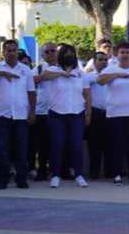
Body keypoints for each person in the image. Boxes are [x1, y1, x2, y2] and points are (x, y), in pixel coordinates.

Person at [0, 39, 37, 189]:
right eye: (8, 50)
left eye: (14, 50)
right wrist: (2, 72)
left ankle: (21, 179)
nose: (11, 53)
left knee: (21, 148)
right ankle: (3, 179)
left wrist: (32, 111)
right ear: (3, 52)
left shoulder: (25, 69)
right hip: (2, 114)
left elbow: (31, 92)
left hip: (20, 114)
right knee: (2, 149)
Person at [38, 44, 91, 188]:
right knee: (57, 145)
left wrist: (88, 113)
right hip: (57, 114)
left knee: (76, 146)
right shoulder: (52, 69)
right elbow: (40, 78)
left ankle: (79, 175)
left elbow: (87, 94)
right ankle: (55, 175)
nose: (69, 56)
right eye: (66, 53)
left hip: (77, 114)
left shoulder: (80, 73)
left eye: (71, 53)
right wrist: (62, 74)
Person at [99, 41, 129, 185]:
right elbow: (100, 81)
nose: (125, 55)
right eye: (122, 52)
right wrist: (117, 75)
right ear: (117, 54)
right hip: (115, 113)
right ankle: (117, 174)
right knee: (117, 144)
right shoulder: (110, 70)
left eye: (127, 52)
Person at [31, 43, 58, 180]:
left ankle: (58, 170)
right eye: (47, 52)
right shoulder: (39, 68)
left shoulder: (63, 66)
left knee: (58, 143)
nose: (51, 54)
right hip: (42, 111)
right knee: (42, 144)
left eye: (53, 51)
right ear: (43, 55)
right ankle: (42, 170)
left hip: (59, 110)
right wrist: (43, 76)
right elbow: (30, 82)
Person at [85, 50, 111, 178]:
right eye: (100, 59)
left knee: (109, 144)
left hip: (110, 113)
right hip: (95, 113)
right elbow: (99, 80)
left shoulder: (111, 75)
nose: (103, 62)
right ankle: (94, 172)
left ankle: (109, 171)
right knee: (94, 144)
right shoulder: (89, 76)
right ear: (94, 62)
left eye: (105, 60)